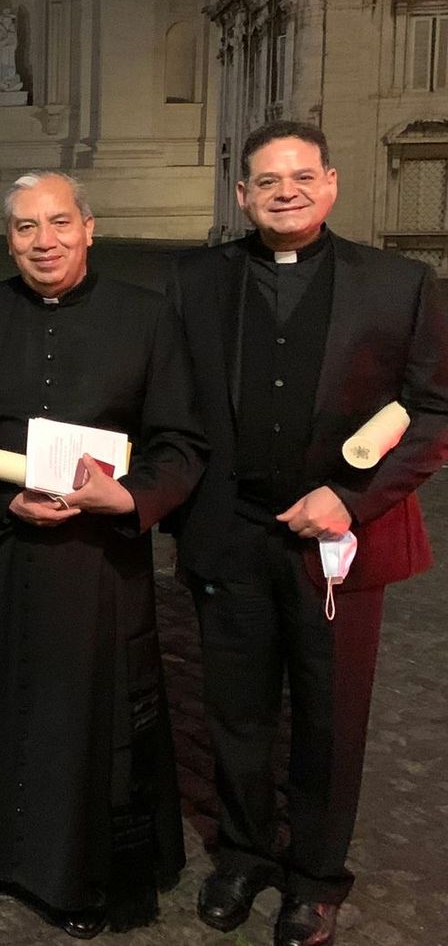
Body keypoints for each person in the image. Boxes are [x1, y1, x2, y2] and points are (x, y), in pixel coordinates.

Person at [170, 121, 448, 946]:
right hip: (230, 532)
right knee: (235, 710)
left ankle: (316, 877)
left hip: (338, 542)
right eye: (266, 180)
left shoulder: (401, 283)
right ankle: (246, 852)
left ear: (329, 183)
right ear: (242, 194)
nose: (284, 191)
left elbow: (436, 411)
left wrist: (354, 500)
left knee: (331, 715)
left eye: (301, 176)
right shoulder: (195, 280)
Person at [0, 172, 206, 938]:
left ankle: (78, 872)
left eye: (58, 224)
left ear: (89, 227)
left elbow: (180, 440)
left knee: (80, 716)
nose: (43, 242)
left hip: (95, 558)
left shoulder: (146, 318)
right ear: (5, 236)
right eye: (23, 228)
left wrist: (133, 500)